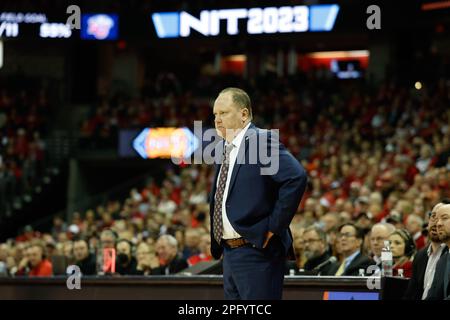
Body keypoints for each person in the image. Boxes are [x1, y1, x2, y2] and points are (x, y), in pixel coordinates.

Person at [209, 88, 308, 299]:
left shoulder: (260, 140)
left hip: (257, 250)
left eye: (224, 113)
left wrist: (274, 226)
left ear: (244, 114)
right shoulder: (225, 148)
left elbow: (295, 178)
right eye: (215, 114)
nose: (217, 120)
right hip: (230, 251)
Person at [405, 203, 445, 299]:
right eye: (433, 216)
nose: (436, 223)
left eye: (442, 218)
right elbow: (411, 293)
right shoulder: (420, 255)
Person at [426, 204, 450, 300]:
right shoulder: (442, 260)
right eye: (437, 219)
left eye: (444, 218)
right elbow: (432, 296)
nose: (438, 224)